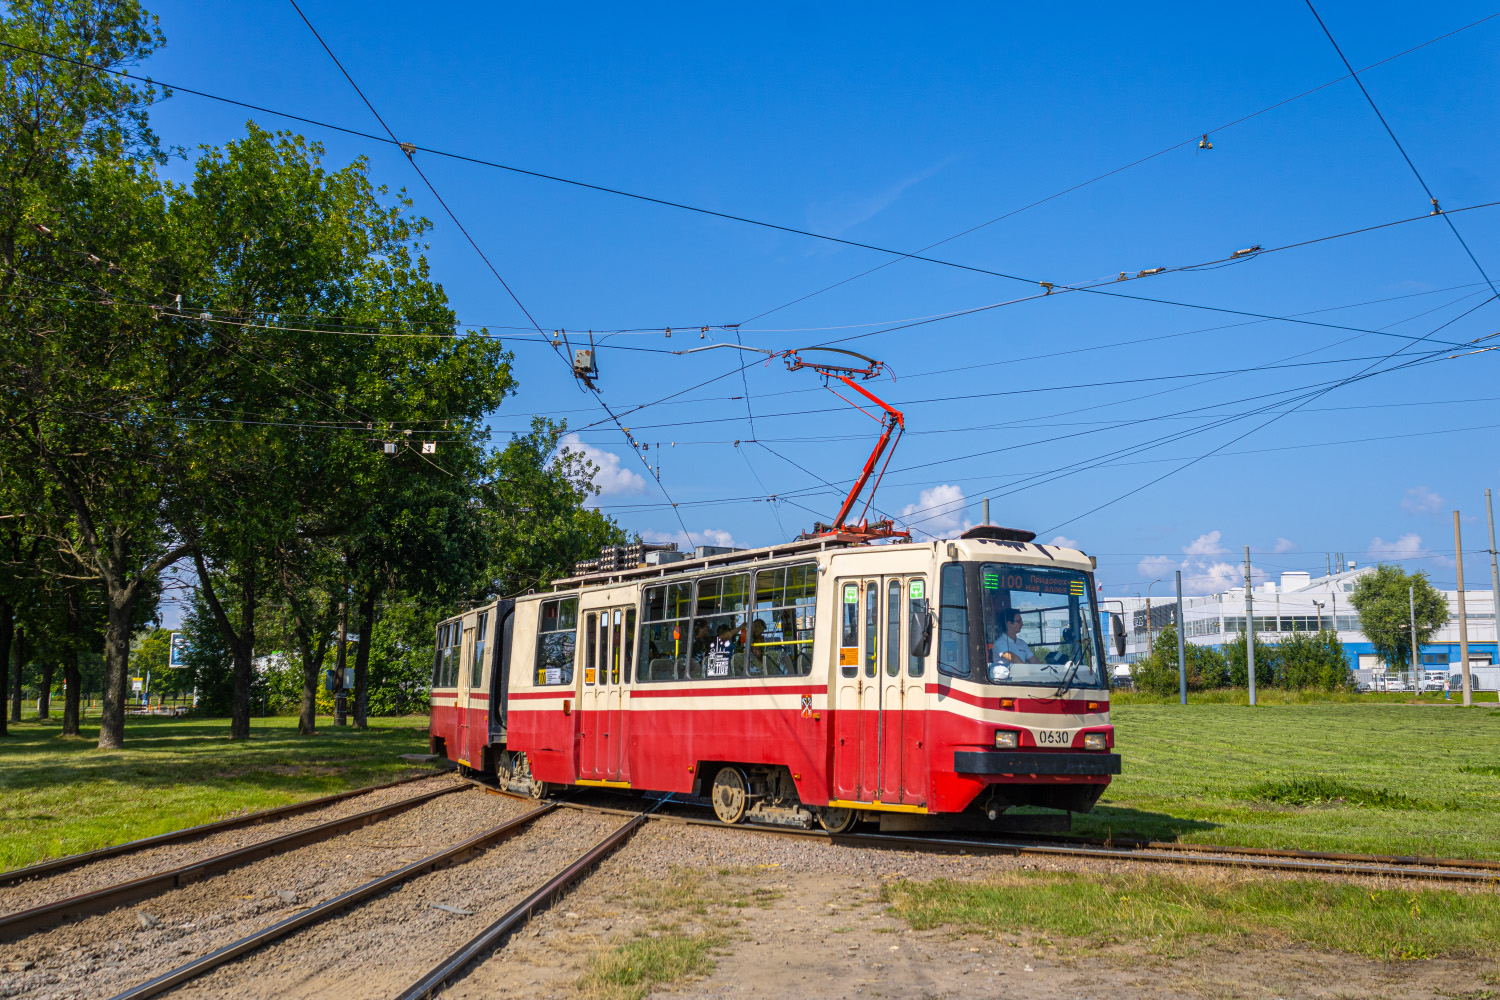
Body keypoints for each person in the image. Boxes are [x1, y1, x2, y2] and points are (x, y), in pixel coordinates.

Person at [990, 608, 1040, 681]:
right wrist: (1028, 674)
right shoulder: (1000, 643)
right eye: (1019, 621)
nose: (1022, 624)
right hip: (1005, 683)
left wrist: (1045, 670)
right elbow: (1013, 658)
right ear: (1009, 624)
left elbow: (1034, 661)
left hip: (1020, 680)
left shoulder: (1022, 643)